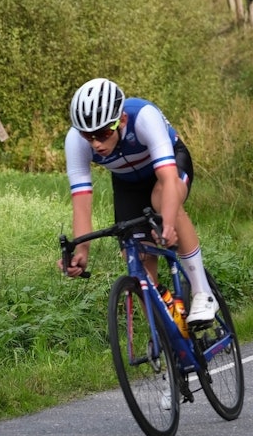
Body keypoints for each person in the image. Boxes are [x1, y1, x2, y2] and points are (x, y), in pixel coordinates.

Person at [62, 78, 217, 325]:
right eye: (87, 136)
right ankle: (166, 337)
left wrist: (166, 225)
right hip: (127, 184)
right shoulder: (75, 141)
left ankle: (203, 293)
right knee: (137, 262)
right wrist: (82, 250)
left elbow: (167, 179)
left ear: (121, 120)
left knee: (162, 201)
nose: (96, 143)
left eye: (102, 133)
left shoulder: (143, 117)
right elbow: (81, 203)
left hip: (168, 166)